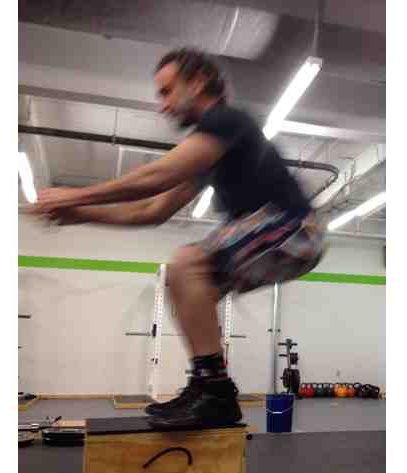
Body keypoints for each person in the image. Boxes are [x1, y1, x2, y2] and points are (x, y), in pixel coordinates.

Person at [30, 47, 327, 429]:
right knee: (183, 281)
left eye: (167, 91)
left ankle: (215, 393)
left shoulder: (226, 120)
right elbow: (152, 210)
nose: (163, 105)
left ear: (199, 82)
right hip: (272, 231)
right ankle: (208, 385)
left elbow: (157, 177)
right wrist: (80, 216)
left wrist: (76, 195)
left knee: (188, 263)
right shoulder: (211, 155)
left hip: (294, 229)